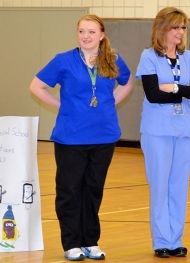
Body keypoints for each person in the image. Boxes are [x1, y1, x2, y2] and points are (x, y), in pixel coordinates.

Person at [29, 14, 133, 261]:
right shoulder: (63, 60)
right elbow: (36, 86)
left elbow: (127, 83)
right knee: (69, 191)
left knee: (93, 190)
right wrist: (61, 106)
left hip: (104, 137)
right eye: (82, 32)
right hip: (71, 138)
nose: (86, 36)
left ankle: (91, 241)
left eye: (91, 32)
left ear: (102, 35)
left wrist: (111, 102)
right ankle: (72, 243)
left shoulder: (113, 60)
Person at [135, 7, 190, 258]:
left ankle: (176, 239)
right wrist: (183, 89)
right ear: (162, 28)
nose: (181, 32)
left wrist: (173, 87)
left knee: (179, 186)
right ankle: (161, 240)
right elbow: (153, 95)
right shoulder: (149, 57)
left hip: (184, 130)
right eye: (176, 27)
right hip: (157, 131)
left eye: (184, 27)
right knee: (160, 186)